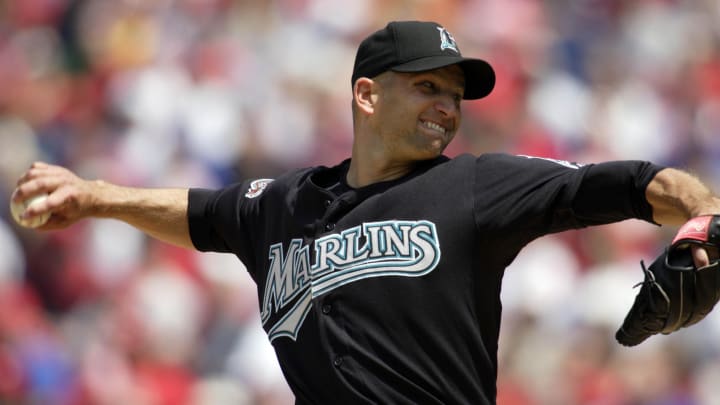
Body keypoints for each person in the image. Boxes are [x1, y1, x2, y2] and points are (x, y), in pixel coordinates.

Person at [10, 20, 720, 404]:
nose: (448, 105)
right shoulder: (283, 203)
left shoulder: (475, 187)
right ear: (368, 96)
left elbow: (631, 183)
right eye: (428, 87)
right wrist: (97, 196)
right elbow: (199, 213)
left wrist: (705, 216)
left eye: (455, 93)